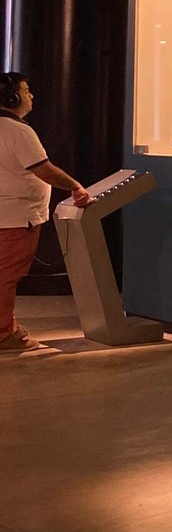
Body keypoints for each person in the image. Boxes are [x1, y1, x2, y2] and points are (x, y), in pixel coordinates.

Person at [0, 73, 91, 351]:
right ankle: (3, 334)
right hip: (16, 218)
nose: (31, 96)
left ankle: (8, 326)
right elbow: (44, 169)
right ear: (11, 97)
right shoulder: (18, 131)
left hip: (8, 216)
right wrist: (75, 186)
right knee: (6, 277)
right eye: (25, 91)